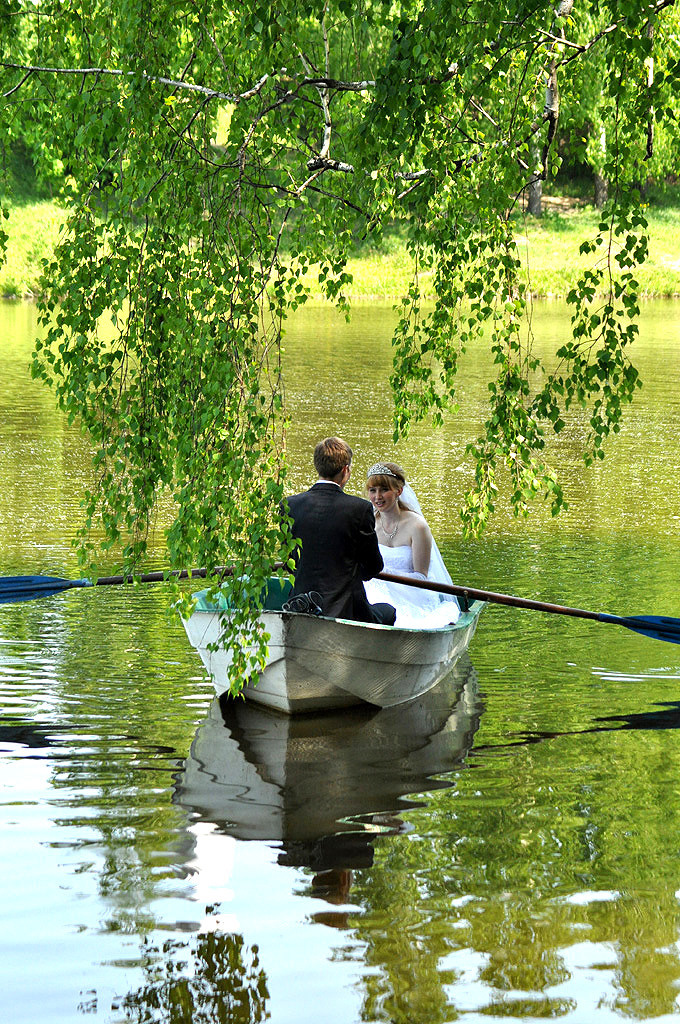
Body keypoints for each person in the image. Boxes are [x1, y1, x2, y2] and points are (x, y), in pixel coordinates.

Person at [283, 438, 396, 625]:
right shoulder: (359, 509)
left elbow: (290, 563)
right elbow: (373, 566)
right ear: (345, 470)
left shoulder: (289, 505)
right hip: (346, 611)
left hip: (300, 605)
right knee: (388, 612)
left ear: (317, 467)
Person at [363, 461, 460, 629]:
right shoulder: (369, 522)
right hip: (376, 589)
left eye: (384, 490)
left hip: (413, 593)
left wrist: (385, 573)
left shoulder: (417, 526)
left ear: (398, 491)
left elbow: (421, 576)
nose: (377, 497)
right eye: (373, 490)